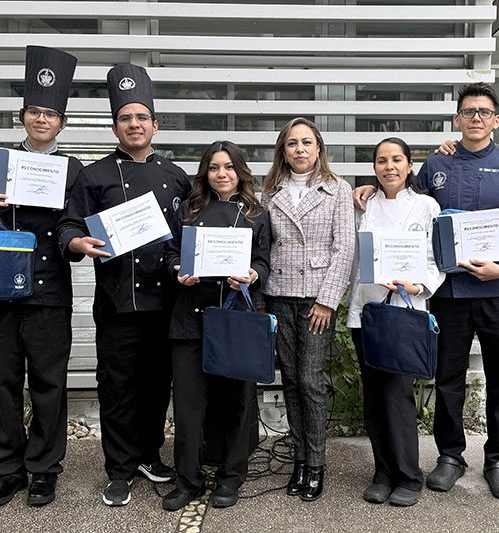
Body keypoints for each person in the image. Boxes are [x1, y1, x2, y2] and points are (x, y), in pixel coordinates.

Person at [354, 82, 499, 500]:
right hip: (450, 295)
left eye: (484, 112)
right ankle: (450, 456)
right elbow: (401, 196)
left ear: (496, 120)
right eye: (468, 111)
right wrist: (368, 188)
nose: (476, 118)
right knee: (448, 379)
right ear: (457, 119)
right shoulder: (438, 163)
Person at [57, 64, 191, 507]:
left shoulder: (176, 176)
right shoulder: (93, 176)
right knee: (116, 388)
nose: (134, 124)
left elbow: (194, 231)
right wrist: (77, 242)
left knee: (156, 386)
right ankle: (119, 469)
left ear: (155, 124)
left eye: (141, 117)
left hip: (166, 303)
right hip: (117, 303)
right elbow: (69, 224)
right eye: (125, 118)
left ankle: (149, 455)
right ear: (115, 127)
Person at [0, 46, 81, 508]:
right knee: (4, 382)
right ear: (23, 116)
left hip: (49, 292)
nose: (42, 119)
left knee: (50, 384)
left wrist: (76, 241)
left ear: (61, 123)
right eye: (35, 111)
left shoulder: (74, 171)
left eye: (50, 114)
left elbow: (76, 224)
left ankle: (45, 469)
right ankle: (7, 470)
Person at [161, 141, 271, 511]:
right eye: (213, 167)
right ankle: (188, 480)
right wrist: (178, 269)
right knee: (188, 405)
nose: (221, 174)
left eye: (228, 167)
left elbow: (264, 261)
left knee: (236, 402)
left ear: (240, 171)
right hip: (190, 318)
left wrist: (252, 275)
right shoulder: (189, 209)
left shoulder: (256, 214)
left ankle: (231, 476)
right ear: (204, 173)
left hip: (235, 316)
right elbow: (170, 253)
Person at [258, 117, 354, 502]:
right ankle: (299, 459)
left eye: (306, 142)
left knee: (311, 380)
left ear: (318, 148)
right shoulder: (270, 191)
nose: (299, 149)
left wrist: (328, 300)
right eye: (292, 143)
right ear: (283, 151)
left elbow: (343, 248)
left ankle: (316, 463)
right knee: (290, 379)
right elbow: (263, 243)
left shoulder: (337, 188)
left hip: (316, 299)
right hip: (279, 293)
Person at [347, 138, 445, 507]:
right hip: (367, 310)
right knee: (373, 395)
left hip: (405, 308)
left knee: (398, 395)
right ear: (374, 167)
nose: (389, 167)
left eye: (397, 160)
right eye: (382, 161)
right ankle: (383, 472)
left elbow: (437, 259)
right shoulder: (362, 205)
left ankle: (408, 475)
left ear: (409, 166)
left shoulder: (426, 206)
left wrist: (420, 285)